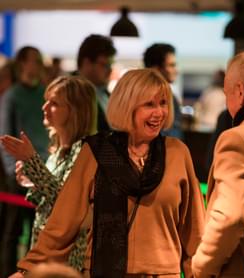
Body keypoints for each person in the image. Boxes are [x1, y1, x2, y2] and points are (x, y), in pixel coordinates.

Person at [9, 69, 205, 278]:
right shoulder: (98, 151)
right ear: (127, 106)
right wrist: (26, 270)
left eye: (163, 103)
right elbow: (62, 224)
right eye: (149, 104)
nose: (159, 112)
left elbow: (194, 232)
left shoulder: (177, 153)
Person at [192, 50, 244, 277]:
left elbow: (231, 217)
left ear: (240, 92)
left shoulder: (240, 138)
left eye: (226, 94)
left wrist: (201, 266)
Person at [1, 76, 97, 271]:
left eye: (54, 103)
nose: (44, 107)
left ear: (75, 110)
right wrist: (32, 180)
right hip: (45, 247)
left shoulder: (87, 151)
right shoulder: (57, 149)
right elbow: (52, 195)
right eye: (46, 100)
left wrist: (32, 162)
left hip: (65, 256)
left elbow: (69, 205)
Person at [0, 46, 49, 277]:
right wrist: (13, 172)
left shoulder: (44, 94)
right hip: (18, 176)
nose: (38, 65)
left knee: (38, 231)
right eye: (34, 61)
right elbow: (4, 136)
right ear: (22, 64)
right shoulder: (12, 96)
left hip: (43, 172)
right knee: (13, 231)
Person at [76, 34, 116, 132]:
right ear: (87, 63)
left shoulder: (106, 93)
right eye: (104, 65)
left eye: (110, 65)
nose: (110, 70)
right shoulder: (73, 94)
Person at [143, 43, 183, 139]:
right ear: (155, 68)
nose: (176, 71)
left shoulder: (171, 96)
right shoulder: (146, 97)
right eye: (171, 65)